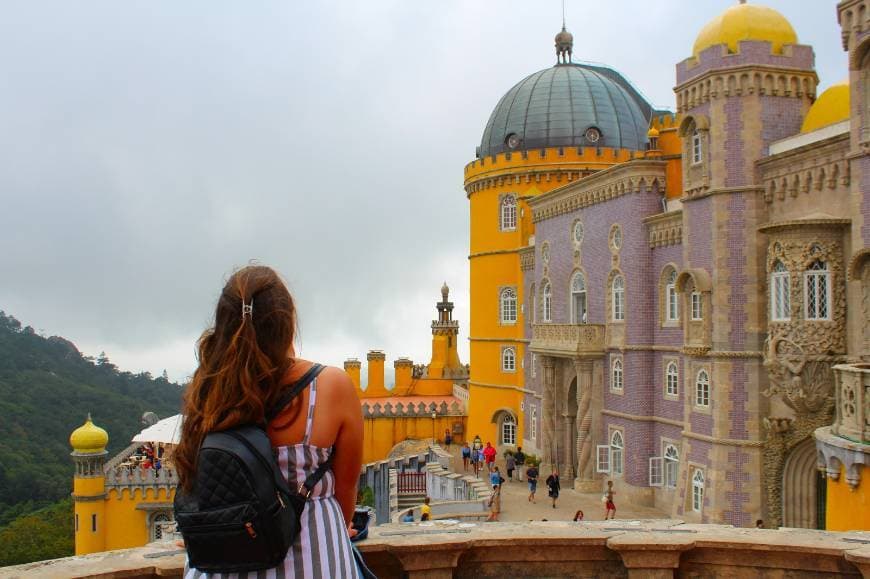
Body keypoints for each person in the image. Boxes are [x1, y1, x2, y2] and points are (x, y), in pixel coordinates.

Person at [174, 265, 364, 578]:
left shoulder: (207, 392)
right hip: (315, 559)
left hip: (225, 560)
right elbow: (346, 489)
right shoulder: (331, 386)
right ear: (287, 323)